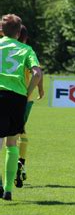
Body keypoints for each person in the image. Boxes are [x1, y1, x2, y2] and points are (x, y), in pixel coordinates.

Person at [0, 14, 42, 200]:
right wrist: (27, 91)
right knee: (12, 143)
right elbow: (37, 73)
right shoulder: (26, 49)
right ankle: (8, 189)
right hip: (16, 97)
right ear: (19, 33)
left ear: (1, 31)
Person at [15, 24, 45, 188]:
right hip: (26, 98)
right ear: (25, 37)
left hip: (8, 94)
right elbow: (38, 71)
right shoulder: (28, 50)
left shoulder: (7, 49)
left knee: (7, 136)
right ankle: (21, 162)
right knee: (20, 130)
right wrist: (40, 89)